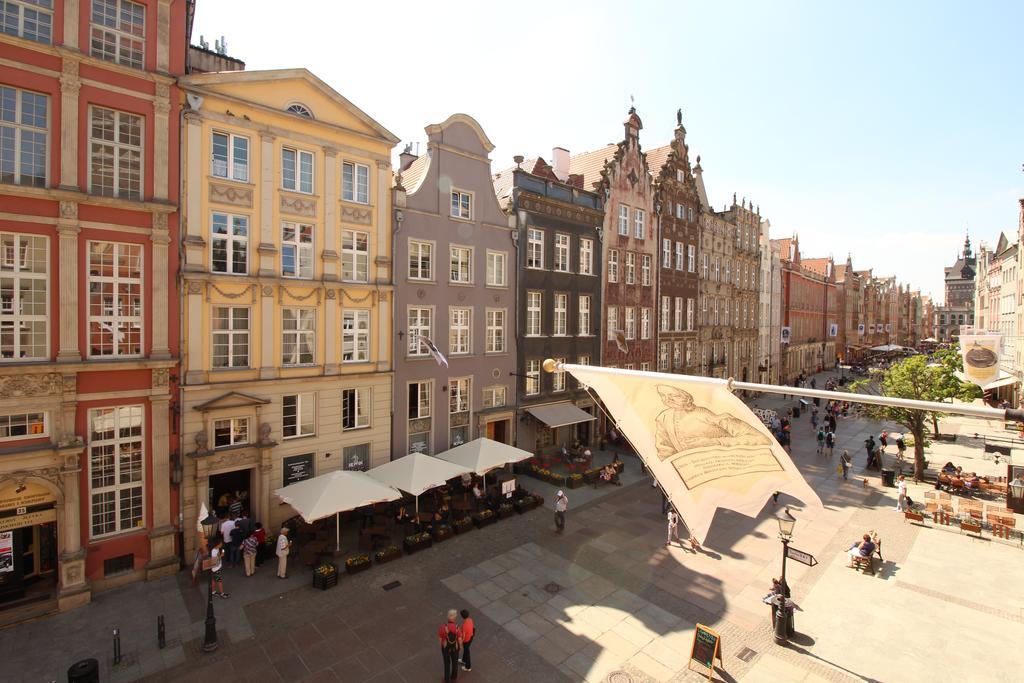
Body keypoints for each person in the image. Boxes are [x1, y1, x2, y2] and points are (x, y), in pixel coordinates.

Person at [438, 608, 462, 681]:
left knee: (447, 663)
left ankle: (447, 678)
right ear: (454, 617)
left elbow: (440, 638)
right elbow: (460, 639)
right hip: (455, 648)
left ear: (448, 617)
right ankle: (454, 676)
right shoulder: (457, 628)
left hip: (446, 648)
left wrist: (442, 645)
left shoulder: (442, 627)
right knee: (455, 662)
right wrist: (460, 647)